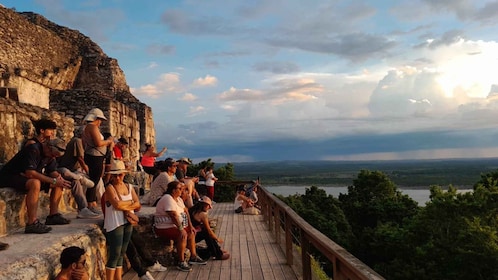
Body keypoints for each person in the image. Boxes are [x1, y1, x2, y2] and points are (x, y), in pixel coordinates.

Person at [0, 138, 72, 234]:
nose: (53, 157)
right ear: (48, 147)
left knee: (58, 183)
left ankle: (53, 215)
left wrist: (60, 179)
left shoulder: (50, 156)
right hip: (11, 176)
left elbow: (52, 171)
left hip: (25, 177)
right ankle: (32, 222)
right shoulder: (33, 149)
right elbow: (30, 173)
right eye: (53, 154)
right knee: (35, 183)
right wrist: (53, 181)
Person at [154, 181, 207, 272]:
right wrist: (181, 229)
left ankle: (193, 256)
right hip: (164, 226)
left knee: (191, 232)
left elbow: (186, 212)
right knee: (182, 235)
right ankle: (181, 261)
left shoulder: (178, 199)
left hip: (176, 225)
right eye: (180, 188)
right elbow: (173, 215)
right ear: (173, 190)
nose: (182, 190)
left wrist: (190, 226)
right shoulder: (167, 198)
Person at [103, 160, 141, 280]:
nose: (118, 177)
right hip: (115, 223)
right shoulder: (109, 188)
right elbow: (117, 205)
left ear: (124, 174)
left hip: (126, 221)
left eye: (120, 174)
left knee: (121, 253)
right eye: (115, 175)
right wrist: (131, 203)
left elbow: (138, 204)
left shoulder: (129, 187)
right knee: (115, 254)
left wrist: (125, 204)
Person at [57, 127, 101, 219]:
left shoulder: (83, 144)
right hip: (65, 170)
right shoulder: (77, 141)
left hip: (75, 173)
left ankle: (83, 209)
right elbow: (80, 158)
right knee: (66, 172)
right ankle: (80, 178)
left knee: (77, 182)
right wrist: (87, 171)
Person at [82, 108, 114, 214]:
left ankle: (92, 203)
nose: (100, 123)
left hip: (91, 155)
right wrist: (109, 142)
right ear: (96, 118)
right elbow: (98, 143)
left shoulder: (87, 128)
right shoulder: (92, 127)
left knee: (93, 180)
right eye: (100, 120)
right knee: (94, 181)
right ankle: (90, 203)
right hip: (95, 157)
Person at [189, 196, 230, 260]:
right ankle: (218, 254)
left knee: (206, 233)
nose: (210, 208)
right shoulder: (202, 214)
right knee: (207, 233)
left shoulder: (193, 210)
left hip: (192, 233)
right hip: (192, 235)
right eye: (209, 206)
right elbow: (209, 230)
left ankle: (217, 250)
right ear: (204, 205)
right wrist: (217, 238)